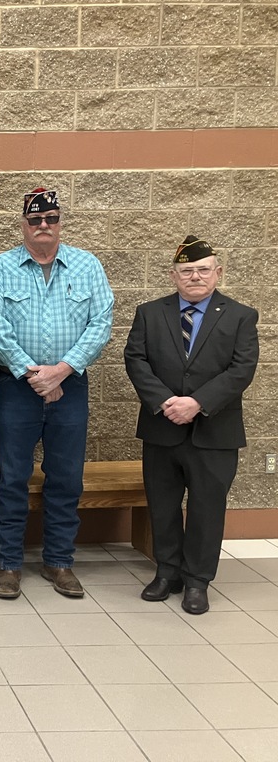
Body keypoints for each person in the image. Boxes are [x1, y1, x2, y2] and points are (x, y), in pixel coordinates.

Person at [0, 189, 114, 600]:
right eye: (35, 220)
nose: (43, 226)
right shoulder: (2, 267)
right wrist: (33, 372)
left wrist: (61, 371)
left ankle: (59, 561)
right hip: (18, 387)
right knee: (13, 477)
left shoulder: (87, 266)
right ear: (23, 224)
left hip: (70, 386)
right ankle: (10, 564)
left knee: (66, 478)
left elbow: (101, 322)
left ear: (59, 223)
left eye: (51, 219)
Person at [124, 236, 258, 615]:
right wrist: (166, 402)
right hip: (162, 427)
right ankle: (167, 572)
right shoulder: (150, 313)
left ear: (218, 273)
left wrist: (197, 403)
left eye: (202, 270)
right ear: (173, 275)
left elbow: (241, 369)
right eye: (186, 271)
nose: (195, 276)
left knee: (206, 508)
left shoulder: (240, 316)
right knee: (163, 505)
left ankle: (197, 580)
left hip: (214, 432)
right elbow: (136, 359)